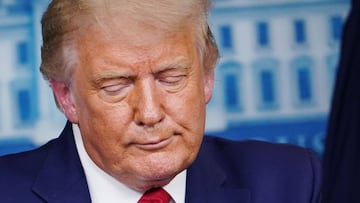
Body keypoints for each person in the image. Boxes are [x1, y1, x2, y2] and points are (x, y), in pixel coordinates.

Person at [0, 0, 321, 202]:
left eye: (171, 78)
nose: (150, 113)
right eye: (116, 86)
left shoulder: (296, 182)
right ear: (65, 96)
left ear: (207, 78)